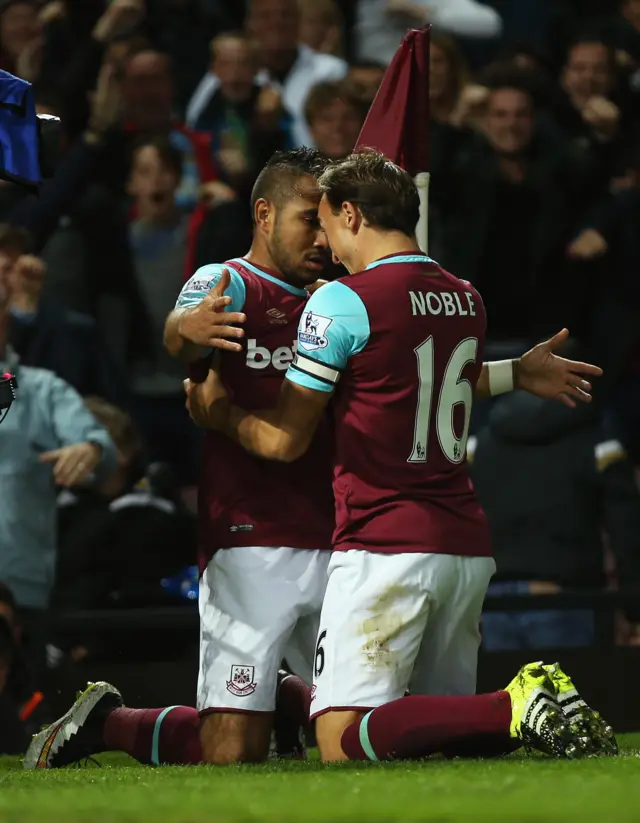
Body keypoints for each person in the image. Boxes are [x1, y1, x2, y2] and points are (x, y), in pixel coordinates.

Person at [185, 150, 611, 763]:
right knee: (438, 740)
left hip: (384, 542)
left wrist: (214, 411)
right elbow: (411, 379)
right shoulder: (467, 297)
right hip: (463, 544)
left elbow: (283, 440)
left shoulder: (340, 302)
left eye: (327, 222)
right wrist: (516, 372)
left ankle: (516, 704)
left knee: (337, 739)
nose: (326, 245)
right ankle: (517, 718)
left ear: (352, 215)